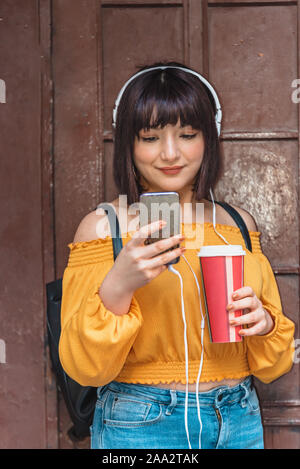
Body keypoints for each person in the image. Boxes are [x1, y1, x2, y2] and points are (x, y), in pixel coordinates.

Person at [58, 61, 295, 449]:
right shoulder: (106, 227)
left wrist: (264, 323)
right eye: (150, 137)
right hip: (143, 421)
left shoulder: (237, 223)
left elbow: (274, 364)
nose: (170, 153)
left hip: (239, 417)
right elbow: (85, 367)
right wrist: (120, 284)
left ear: (209, 138)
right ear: (128, 144)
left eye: (187, 134)